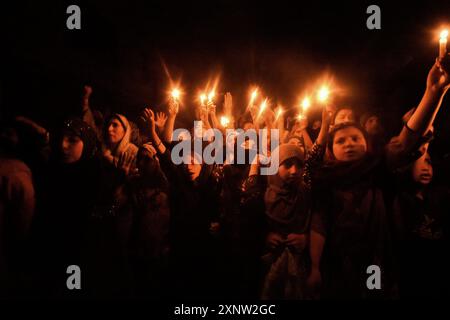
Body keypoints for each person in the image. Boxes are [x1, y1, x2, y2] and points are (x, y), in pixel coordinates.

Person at [310, 57, 450, 299]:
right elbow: (319, 224)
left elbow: (406, 140)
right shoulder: (325, 180)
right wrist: (313, 267)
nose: (349, 143)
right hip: (338, 270)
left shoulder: (378, 169)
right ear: (331, 151)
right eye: (341, 141)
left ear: (366, 145)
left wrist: (434, 92)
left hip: (380, 265)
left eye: (356, 138)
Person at [393, 149, 450, 298]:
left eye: (429, 162)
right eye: (419, 163)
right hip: (410, 271)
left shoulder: (441, 196)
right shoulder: (400, 198)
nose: (425, 168)